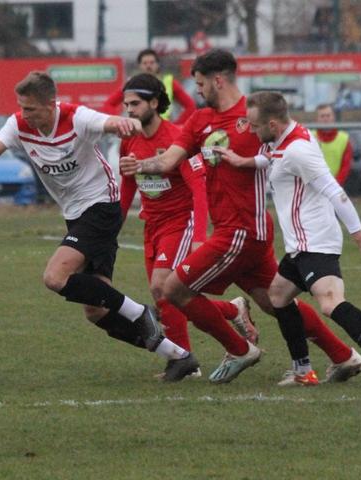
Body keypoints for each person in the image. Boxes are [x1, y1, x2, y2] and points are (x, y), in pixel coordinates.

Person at [124, 49, 357, 384]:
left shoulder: (255, 116)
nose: (198, 91)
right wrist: (141, 165)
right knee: (271, 302)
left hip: (241, 229)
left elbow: (294, 144)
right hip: (241, 231)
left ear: (218, 80)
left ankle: (239, 349)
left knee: (172, 288)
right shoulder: (199, 120)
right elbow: (168, 160)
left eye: (201, 83)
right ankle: (343, 355)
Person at [0, 71, 199, 381]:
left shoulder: (76, 117)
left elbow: (110, 122)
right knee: (95, 310)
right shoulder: (18, 124)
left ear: (51, 104)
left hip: (101, 206)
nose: (24, 114)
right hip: (75, 215)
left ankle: (140, 312)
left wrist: (127, 123)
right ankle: (177, 356)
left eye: (30, 108)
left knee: (55, 277)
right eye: (22, 107)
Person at [217, 91, 361, 391]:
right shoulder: (284, 139)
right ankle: (303, 370)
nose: (251, 131)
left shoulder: (298, 151)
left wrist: (360, 236)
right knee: (278, 296)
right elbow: (271, 156)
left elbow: (335, 192)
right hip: (299, 244)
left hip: (316, 241)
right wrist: (243, 160)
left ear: (274, 125)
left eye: (255, 126)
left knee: (331, 304)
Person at [117, 73, 257, 379]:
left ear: (154, 103)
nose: (128, 110)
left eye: (135, 103)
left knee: (161, 285)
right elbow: (128, 183)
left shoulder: (176, 138)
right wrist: (115, 224)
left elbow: (198, 188)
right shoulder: (129, 139)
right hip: (151, 224)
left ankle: (182, 360)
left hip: (179, 221)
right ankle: (231, 312)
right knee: (163, 295)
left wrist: (198, 236)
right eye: (126, 104)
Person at [101, 48, 196, 125]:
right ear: (139, 66)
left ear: (158, 65)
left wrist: (176, 126)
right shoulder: (131, 84)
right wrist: (120, 123)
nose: (148, 66)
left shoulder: (169, 82)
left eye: (152, 63)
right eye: (145, 63)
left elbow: (190, 106)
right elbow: (109, 104)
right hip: (138, 132)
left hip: (163, 132)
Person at [310, 103, 353, 186]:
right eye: (322, 116)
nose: (325, 119)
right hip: (314, 188)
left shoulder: (344, 139)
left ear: (333, 117)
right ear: (317, 119)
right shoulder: (310, 137)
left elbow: (346, 167)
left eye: (328, 115)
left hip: (336, 188)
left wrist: (334, 186)